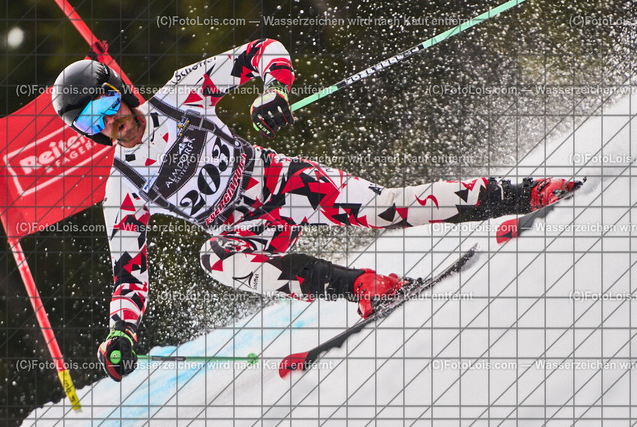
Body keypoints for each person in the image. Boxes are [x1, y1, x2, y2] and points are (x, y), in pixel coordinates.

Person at [52, 39, 581, 382]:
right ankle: (367, 287)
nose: (108, 124)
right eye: (89, 124)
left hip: (285, 184)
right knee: (215, 258)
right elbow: (130, 274)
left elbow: (265, 51)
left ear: (118, 90)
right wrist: (121, 332)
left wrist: (274, 90)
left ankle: (524, 194)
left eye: (105, 106)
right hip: (249, 231)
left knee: (384, 210)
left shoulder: (180, 94)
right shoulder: (122, 189)